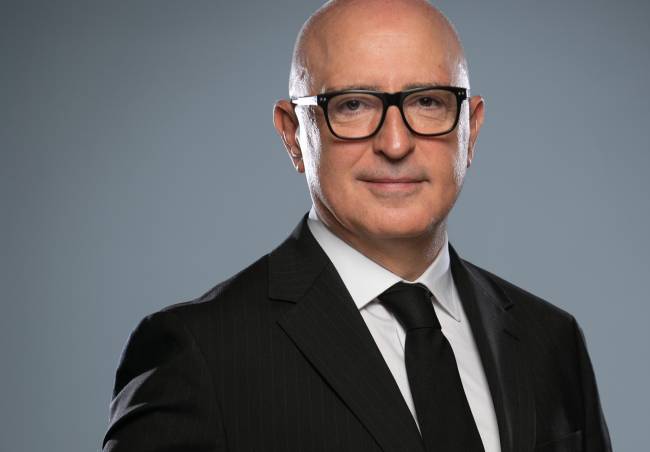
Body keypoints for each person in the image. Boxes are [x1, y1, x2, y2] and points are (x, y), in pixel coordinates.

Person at [103, 1, 612, 451]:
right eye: (352, 105)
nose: (395, 143)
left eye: (427, 101)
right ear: (293, 135)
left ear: (470, 130)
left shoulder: (551, 341)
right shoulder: (200, 353)